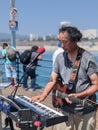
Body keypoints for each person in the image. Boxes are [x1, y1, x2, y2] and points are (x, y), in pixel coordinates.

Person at [30, 26, 98, 130]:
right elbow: (53, 79)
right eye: (60, 41)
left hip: (85, 111)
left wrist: (79, 95)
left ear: (75, 40)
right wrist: (43, 95)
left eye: (65, 42)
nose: (61, 45)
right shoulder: (59, 57)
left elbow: (96, 84)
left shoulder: (88, 58)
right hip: (64, 108)